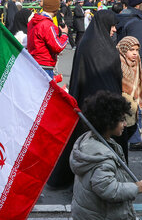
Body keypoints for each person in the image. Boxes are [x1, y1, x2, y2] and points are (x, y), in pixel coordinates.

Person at [50, 90, 142, 220]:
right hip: (105, 209)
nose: (124, 124)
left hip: (90, 206)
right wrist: (134, 188)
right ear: (108, 123)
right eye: (121, 120)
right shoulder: (103, 158)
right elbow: (108, 190)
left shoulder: (89, 140)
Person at [47, 10, 122, 188]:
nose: (113, 29)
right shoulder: (96, 45)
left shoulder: (90, 42)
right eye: (111, 25)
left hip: (89, 103)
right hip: (98, 106)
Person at [116, 0, 142, 152]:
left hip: (124, 70)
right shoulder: (137, 24)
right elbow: (139, 54)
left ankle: (131, 137)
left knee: (130, 105)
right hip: (134, 72)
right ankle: (134, 139)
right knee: (135, 105)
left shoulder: (124, 18)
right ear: (138, 4)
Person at [26, 0, 69, 78]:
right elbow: (58, 46)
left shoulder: (33, 21)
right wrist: (64, 34)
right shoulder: (47, 25)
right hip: (45, 65)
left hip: (34, 62)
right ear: (56, 9)